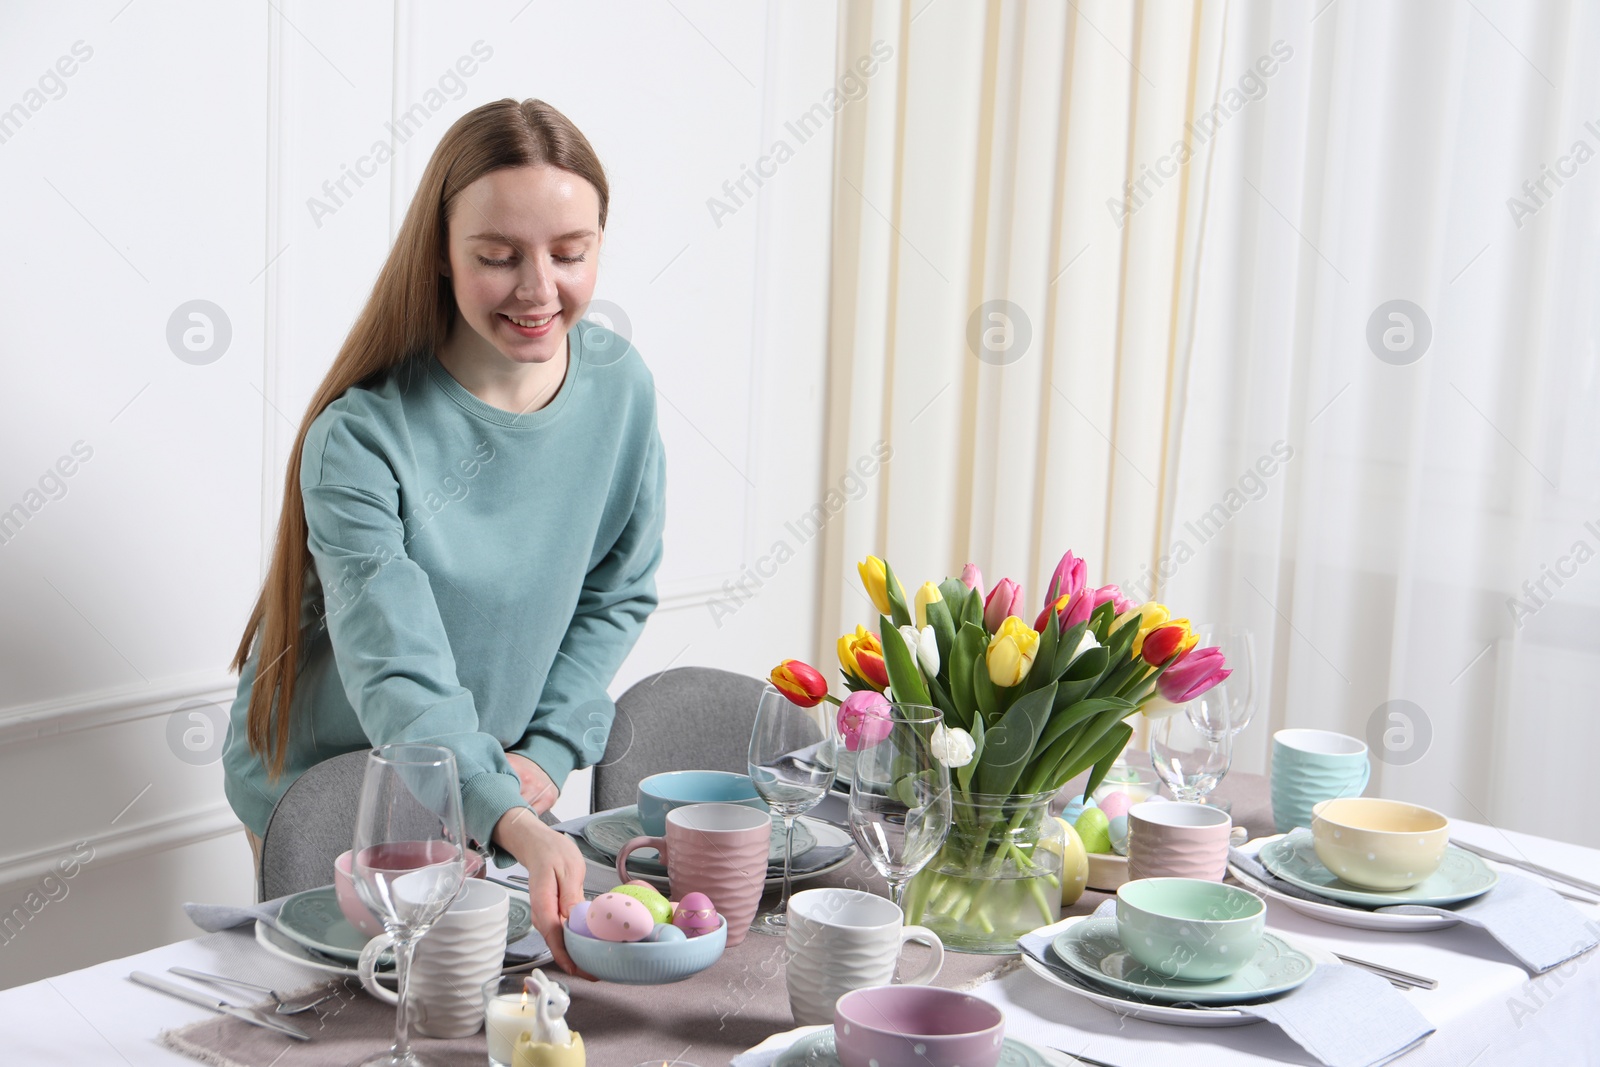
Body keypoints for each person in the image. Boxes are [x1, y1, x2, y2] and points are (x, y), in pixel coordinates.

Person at [220, 98, 665, 976]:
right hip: (332, 788)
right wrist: (509, 809)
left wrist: (548, 748)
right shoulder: (359, 439)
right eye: (499, 257)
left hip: (483, 780)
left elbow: (618, 588)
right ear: (440, 252)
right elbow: (399, 671)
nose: (539, 289)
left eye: (570, 253)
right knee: (357, 1016)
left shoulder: (620, 390)